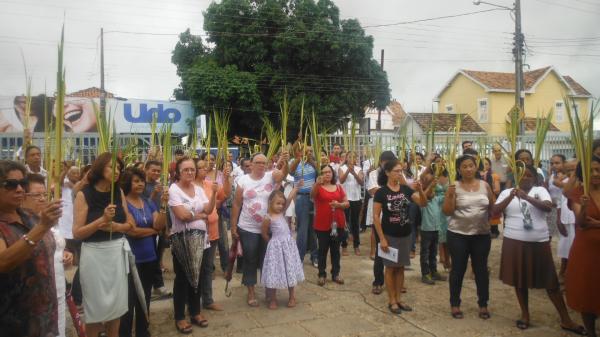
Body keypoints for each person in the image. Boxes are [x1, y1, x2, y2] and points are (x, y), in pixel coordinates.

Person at [493, 164, 585, 334]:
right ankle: (525, 315)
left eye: (529, 175)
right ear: (516, 177)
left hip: (538, 241)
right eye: (522, 175)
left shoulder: (540, 190)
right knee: (520, 281)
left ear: (535, 178)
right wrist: (511, 196)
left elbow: (547, 207)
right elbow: (494, 211)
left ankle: (566, 319)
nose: (525, 178)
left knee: (551, 282)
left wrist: (527, 198)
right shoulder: (507, 192)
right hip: (514, 240)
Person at [72, 152, 134, 337]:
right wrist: (102, 220)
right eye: (111, 167)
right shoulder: (85, 194)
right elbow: (77, 232)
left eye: (119, 168)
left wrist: (116, 226)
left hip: (116, 253)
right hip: (94, 255)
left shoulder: (119, 191)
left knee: (117, 306)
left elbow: (130, 224)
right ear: (100, 168)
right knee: (95, 309)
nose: (116, 171)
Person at [0, 160, 62, 337]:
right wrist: (42, 227)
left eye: (23, 184)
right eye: (10, 185)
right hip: (13, 322)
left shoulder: (29, 216)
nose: (19, 189)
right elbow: (3, 262)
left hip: (45, 317)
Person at [230, 153, 288, 307]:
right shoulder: (242, 180)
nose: (261, 165)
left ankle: (270, 291)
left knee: (267, 259)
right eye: (258, 162)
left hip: (268, 228)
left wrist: (284, 162)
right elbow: (236, 204)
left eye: (264, 162)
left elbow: (283, 174)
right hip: (247, 227)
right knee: (250, 258)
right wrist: (233, 226)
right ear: (252, 164)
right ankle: (251, 291)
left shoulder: (271, 176)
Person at [167, 157, 217, 333]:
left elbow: (209, 210)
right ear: (178, 172)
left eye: (192, 169)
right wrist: (199, 215)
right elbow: (182, 216)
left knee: (198, 276)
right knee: (182, 279)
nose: (190, 172)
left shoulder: (198, 189)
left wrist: (214, 196)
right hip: (183, 242)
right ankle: (180, 317)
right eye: (186, 169)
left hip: (201, 241)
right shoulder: (173, 190)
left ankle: (195, 312)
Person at [442, 155, 495, 320]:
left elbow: (492, 207)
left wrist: (484, 222)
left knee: (481, 270)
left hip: (481, 235)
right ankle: (455, 304)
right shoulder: (454, 186)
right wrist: (450, 195)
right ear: (459, 170)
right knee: (458, 269)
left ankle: (483, 304)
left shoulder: (485, 185)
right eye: (464, 166)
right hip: (458, 235)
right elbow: (447, 211)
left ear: (476, 167)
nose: (468, 169)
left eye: (471, 165)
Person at [373, 159, 428, 314]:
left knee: (401, 267)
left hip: (405, 235)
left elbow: (422, 203)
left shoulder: (405, 189)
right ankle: (391, 300)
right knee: (390, 268)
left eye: (400, 171)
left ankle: (399, 298)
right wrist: (382, 238)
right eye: (396, 171)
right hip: (389, 235)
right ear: (388, 172)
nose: (399, 173)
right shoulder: (381, 192)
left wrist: (421, 190)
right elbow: (376, 217)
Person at [22, 174, 74, 337]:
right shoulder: (20, 224)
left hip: (56, 289)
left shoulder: (47, 218)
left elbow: (55, 245)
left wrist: (65, 253)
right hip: (35, 296)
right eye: (37, 195)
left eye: (45, 194)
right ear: (22, 197)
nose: (43, 199)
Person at [120, 168, 169, 337]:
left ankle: (143, 330)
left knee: (145, 296)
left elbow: (159, 225)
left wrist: (163, 205)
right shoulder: (123, 203)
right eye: (136, 181)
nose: (140, 183)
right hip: (131, 258)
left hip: (149, 256)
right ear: (127, 183)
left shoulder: (147, 202)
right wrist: (152, 232)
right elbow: (132, 231)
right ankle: (124, 332)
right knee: (129, 298)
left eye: (141, 180)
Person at [565, 155, 600, 337]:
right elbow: (583, 222)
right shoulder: (579, 192)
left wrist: (597, 223)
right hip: (586, 250)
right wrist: (585, 207)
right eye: (590, 170)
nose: (595, 173)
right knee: (587, 290)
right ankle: (591, 332)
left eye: (598, 169)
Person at [260, 186, 304, 309]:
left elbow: (289, 199)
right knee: (274, 271)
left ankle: (292, 296)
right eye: (277, 203)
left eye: (282, 204)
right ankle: (273, 299)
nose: (280, 206)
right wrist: (272, 243)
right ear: (270, 203)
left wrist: (295, 189)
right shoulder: (268, 218)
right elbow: (263, 232)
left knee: (289, 269)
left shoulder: (283, 213)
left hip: (288, 246)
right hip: (275, 248)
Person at [194, 159, 227, 312]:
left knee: (207, 267)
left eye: (203, 167)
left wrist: (227, 178)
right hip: (195, 233)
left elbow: (224, 194)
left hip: (212, 231)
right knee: (195, 268)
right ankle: (192, 301)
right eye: (199, 167)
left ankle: (208, 299)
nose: (203, 169)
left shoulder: (210, 184)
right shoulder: (189, 187)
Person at [311, 164, 349, 286]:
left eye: (329, 172)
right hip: (322, 224)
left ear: (332, 174)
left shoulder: (338, 187)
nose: (327, 174)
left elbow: (347, 203)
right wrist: (317, 183)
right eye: (324, 172)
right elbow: (312, 195)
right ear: (320, 174)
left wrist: (339, 205)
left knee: (335, 250)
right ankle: (321, 274)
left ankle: (336, 274)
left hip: (337, 223)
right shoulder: (318, 187)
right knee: (322, 250)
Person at [367, 151, 397, 295]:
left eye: (389, 162)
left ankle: (397, 281)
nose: (386, 165)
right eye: (384, 162)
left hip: (396, 217)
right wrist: (390, 191)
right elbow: (373, 190)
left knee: (397, 251)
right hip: (380, 216)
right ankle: (378, 281)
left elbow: (404, 190)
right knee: (381, 251)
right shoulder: (374, 174)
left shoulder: (398, 173)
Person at [142, 160, 171, 299]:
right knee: (150, 258)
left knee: (158, 256)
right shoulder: (141, 185)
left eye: (158, 171)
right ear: (146, 169)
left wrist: (167, 227)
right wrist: (153, 194)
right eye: (153, 170)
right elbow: (142, 204)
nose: (156, 173)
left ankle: (158, 285)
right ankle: (154, 285)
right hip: (146, 226)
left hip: (160, 225)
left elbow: (165, 207)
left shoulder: (161, 186)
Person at [289, 143, 318, 266]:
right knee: (302, 230)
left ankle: (314, 256)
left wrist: (310, 159)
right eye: (307, 151)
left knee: (313, 230)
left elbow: (319, 172)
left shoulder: (313, 164)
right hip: (301, 198)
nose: (309, 153)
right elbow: (290, 171)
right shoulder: (295, 162)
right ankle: (299, 257)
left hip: (314, 199)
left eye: (311, 151)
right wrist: (299, 158)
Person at [418, 165, 448, 285]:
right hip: (426, 230)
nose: (433, 189)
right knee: (425, 253)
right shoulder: (422, 199)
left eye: (434, 187)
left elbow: (446, 194)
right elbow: (424, 195)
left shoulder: (437, 199)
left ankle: (433, 271)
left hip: (436, 230)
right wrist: (430, 185)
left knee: (433, 252)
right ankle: (425, 274)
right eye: (430, 186)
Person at [338, 151, 364, 256]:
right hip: (345, 199)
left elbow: (361, 182)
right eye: (349, 156)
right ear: (346, 158)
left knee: (355, 223)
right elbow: (341, 180)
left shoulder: (359, 169)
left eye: (354, 156)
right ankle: (344, 246)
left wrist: (354, 173)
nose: (351, 158)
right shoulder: (342, 168)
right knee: (344, 223)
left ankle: (356, 246)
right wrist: (348, 170)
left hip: (356, 199)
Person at [557, 159, 577, 282]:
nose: (571, 172)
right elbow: (560, 202)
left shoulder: (583, 182)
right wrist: (558, 219)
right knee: (564, 248)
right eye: (568, 170)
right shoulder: (564, 182)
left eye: (574, 169)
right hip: (565, 219)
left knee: (574, 249)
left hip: (576, 220)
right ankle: (563, 272)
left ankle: (571, 276)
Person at [481, 158, 502, 238]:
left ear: (489, 166)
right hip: (481, 200)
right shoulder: (476, 176)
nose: (484, 166)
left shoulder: (494, 176)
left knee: (493, 219)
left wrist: (490, 187)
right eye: (482, 164)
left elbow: (497, 190)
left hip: (491, 198)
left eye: (486, 164)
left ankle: (494, 231)